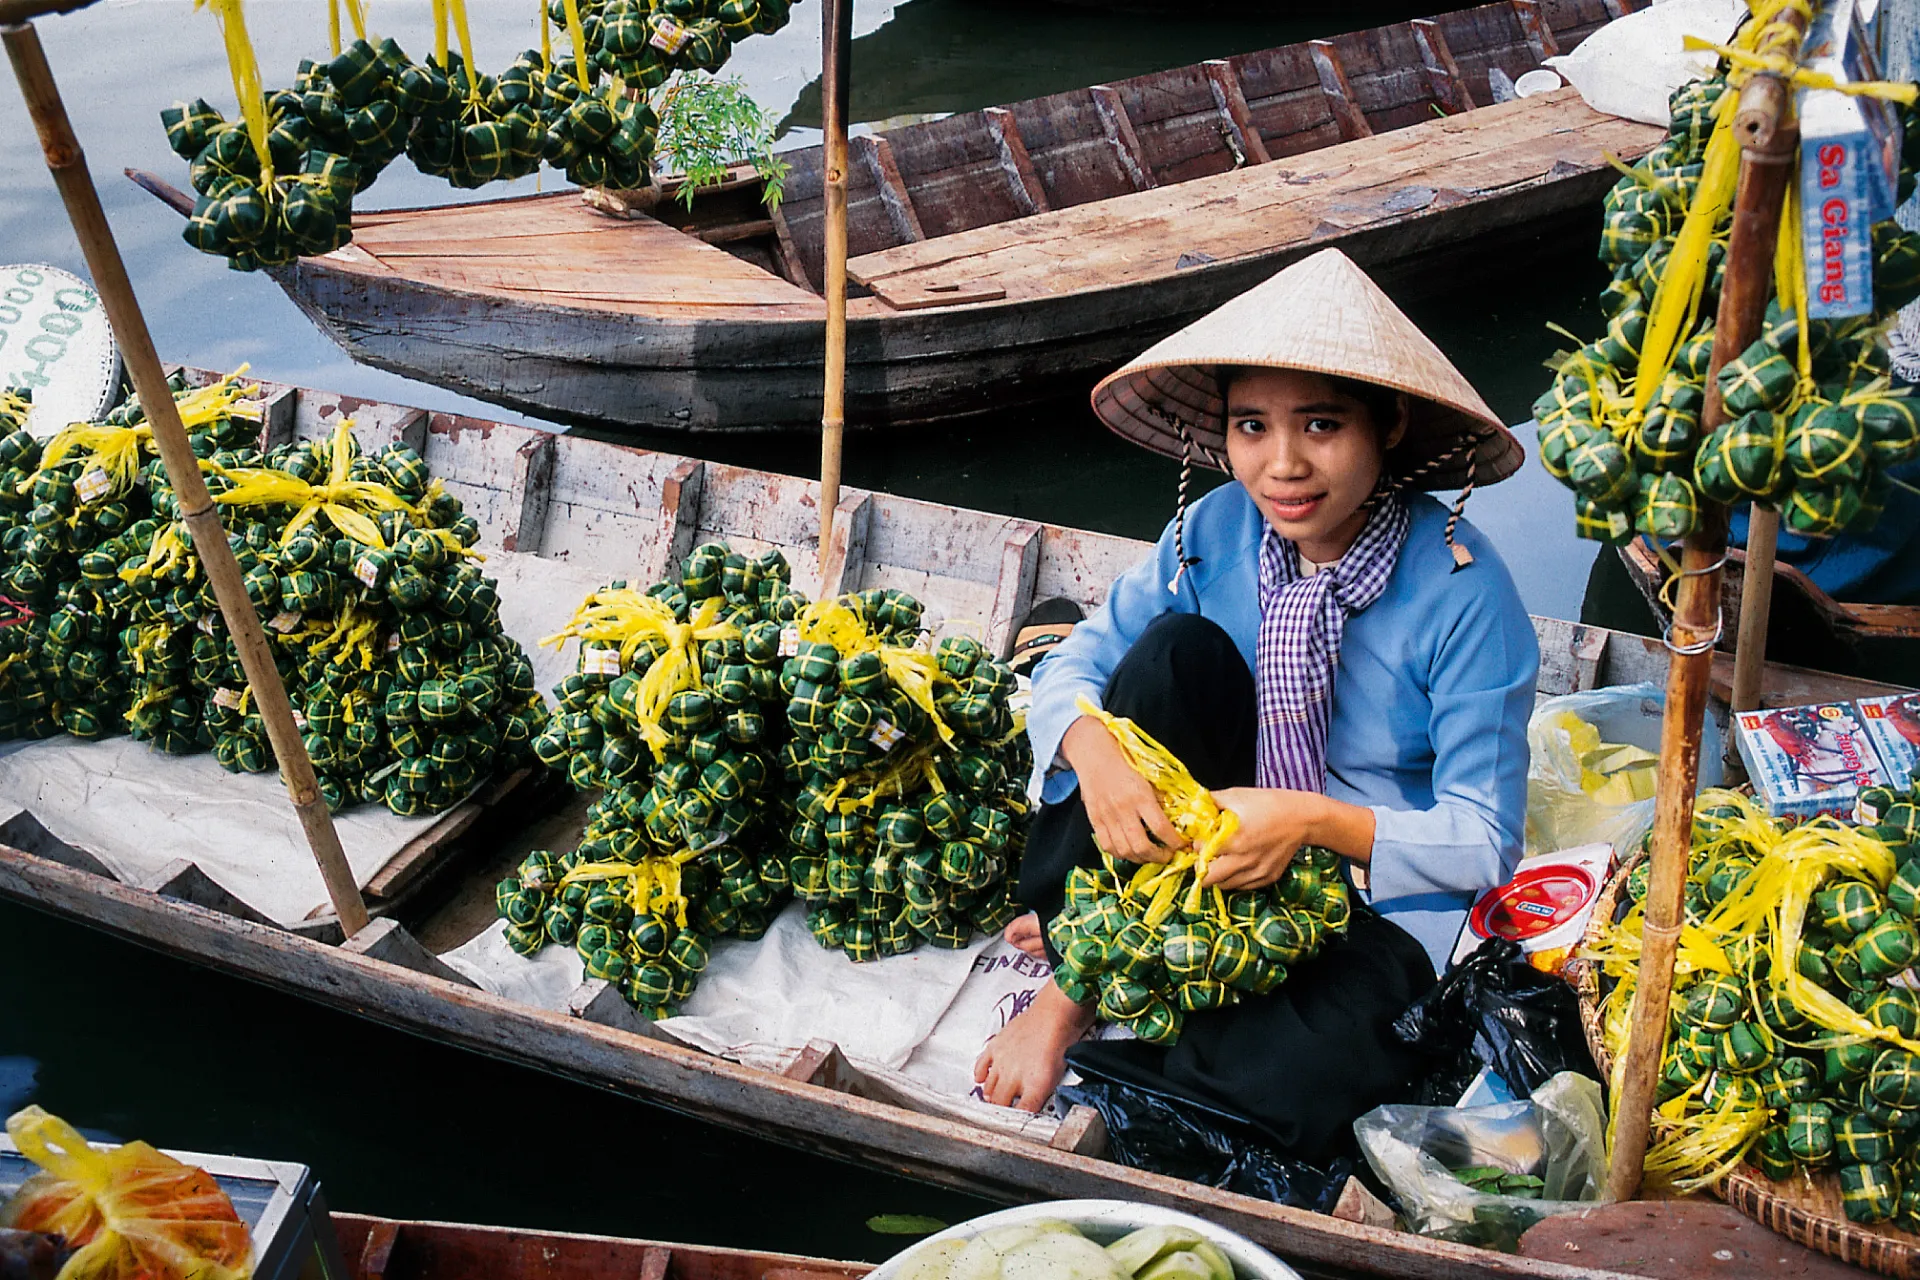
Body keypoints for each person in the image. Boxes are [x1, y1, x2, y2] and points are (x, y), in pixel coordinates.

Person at [972, 248, 1541, 1162]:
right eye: (1252, 427)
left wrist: (1309, 822)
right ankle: (1079, 976)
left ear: (1389, 425)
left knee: (1325, 1074)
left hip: (1359, 884)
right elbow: (1081, 661)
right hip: (1203, 831)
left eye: (1322, 424)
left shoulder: (1467, 592)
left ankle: (1138, 986)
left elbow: (1483, 838)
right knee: (1174, 655)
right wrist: (1092, 750)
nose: (1282, 466)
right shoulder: (1213, 530)